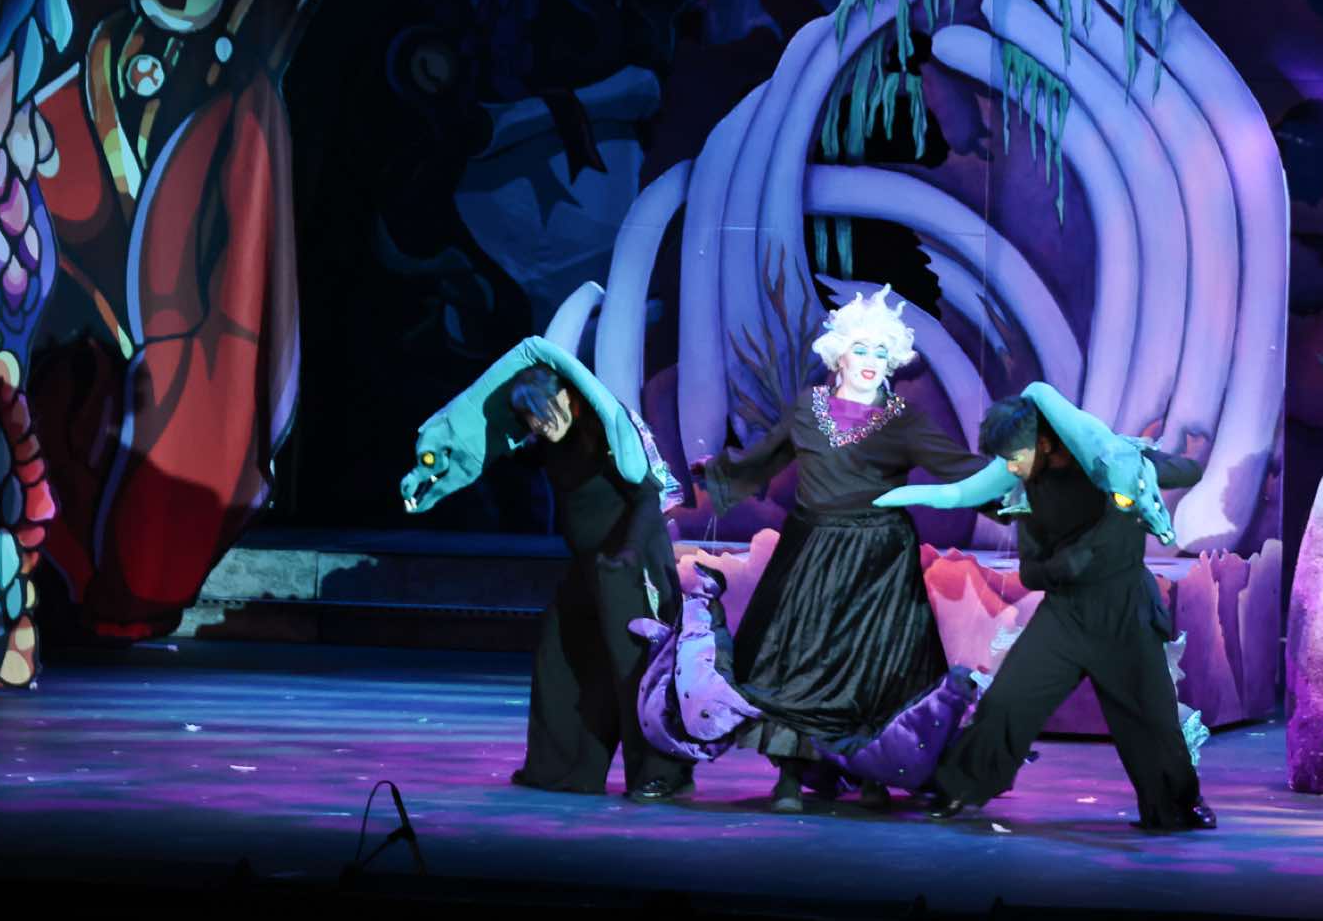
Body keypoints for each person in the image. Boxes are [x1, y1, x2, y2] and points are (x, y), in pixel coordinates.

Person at [695, 286, 988, 813]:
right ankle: (790, 778)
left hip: (880, 564)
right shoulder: (808, 410)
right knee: (794, 662)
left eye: (881, 352)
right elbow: (764, 457)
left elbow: (958, 469)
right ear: (840, 356)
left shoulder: (904, 419)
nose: (871, 361)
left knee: (880, 670)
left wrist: (1014, 480)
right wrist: (718, 473)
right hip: (811, 555)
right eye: (861, 349)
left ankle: (874, 773)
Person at [920, 393, 1216, 831]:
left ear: (1042, 443)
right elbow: (1032, 572)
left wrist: (1142, 465)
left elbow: (1188, 469)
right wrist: (1064, 565)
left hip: (1125, 612)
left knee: (1151, 718)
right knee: (1007, 701)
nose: (1010, 467)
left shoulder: (1106, 462)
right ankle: (957, 789)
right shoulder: (1029, 488)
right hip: (1066, 614)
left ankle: (1177, 806)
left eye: (1015, 456)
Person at [504, 362, 696, 803]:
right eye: (529, 416)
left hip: (629, 563)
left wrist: (628, 551)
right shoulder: (548, 443)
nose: (538, 423)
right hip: (589, 566)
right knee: (561, 658)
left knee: (637, 670)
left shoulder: (608, 433)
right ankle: (564, 769)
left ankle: (663, 775)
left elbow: (647, 496)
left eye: (542, 410)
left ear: (568, 398)